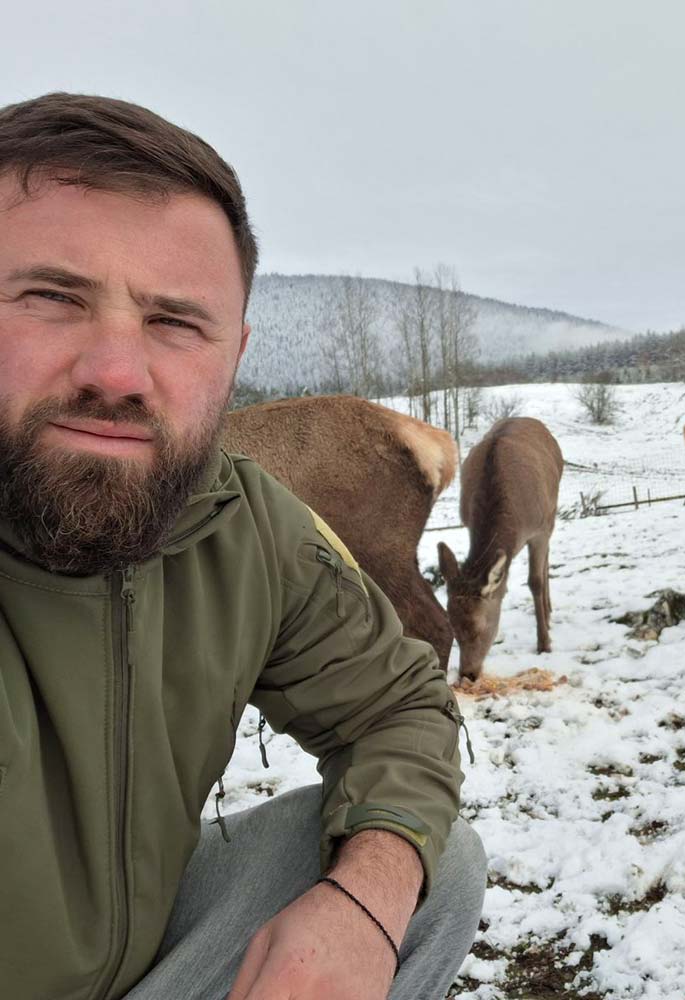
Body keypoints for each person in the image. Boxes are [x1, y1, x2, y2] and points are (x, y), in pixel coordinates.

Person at [0, 92, 486, 1000]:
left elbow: (397, 706)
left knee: (432, 864)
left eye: (175, 321)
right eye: (52, 297)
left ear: (235, 353)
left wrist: (367, 900)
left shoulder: (238, 519)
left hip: (140, 953)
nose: (117, 373)